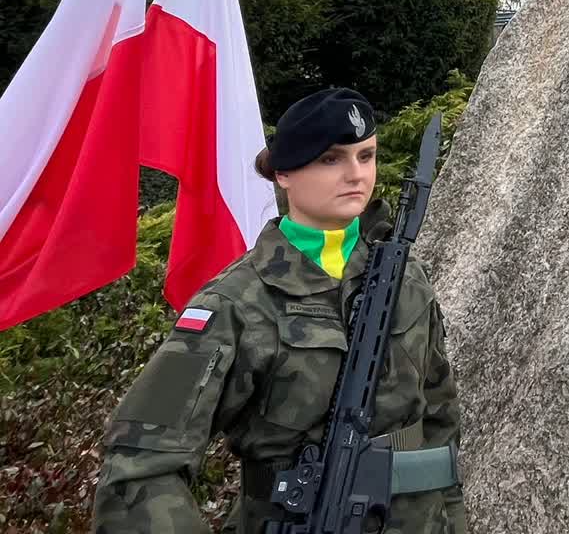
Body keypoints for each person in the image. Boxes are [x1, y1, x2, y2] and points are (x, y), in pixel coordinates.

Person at [94, 88, 466, 533]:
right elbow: (137, 466)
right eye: (330, 159)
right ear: (284, 173)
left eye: (365, 156)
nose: (356, 174)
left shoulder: (405, 277)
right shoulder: (233, 302)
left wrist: (453, 521)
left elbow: (439, 417)